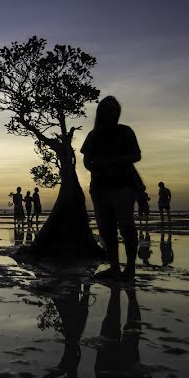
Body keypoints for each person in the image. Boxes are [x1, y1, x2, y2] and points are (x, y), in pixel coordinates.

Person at [81, 96, 141, 280]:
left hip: (124, 186)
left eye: (114, 110)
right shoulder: (93, 135)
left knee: (127, 226)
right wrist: (98, 166)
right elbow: (86, 161)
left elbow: (136, 155)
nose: (111, 113)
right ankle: (114, 267)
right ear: (100, 112)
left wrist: (113, 161)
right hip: (99, 187)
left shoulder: (125, 132)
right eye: (108, 110)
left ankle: (130, 268)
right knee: (106, 229)